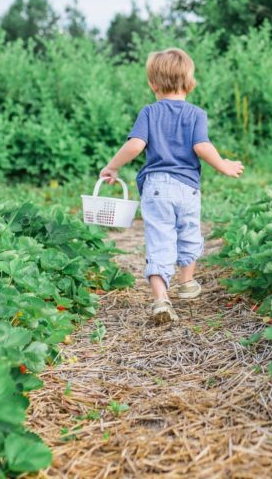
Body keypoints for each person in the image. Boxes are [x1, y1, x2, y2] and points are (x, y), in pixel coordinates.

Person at [100, 48, 244, 323]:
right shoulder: (196, 114)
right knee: (190, 232)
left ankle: (160, 299)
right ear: (190, 83)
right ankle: (187, 282)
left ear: (153, 84)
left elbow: (136, 145)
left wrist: (113, 166)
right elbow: (201, 146)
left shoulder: (149, 112)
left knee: (159, 240)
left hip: (156, 187)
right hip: (187, 187)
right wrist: (223, 164)